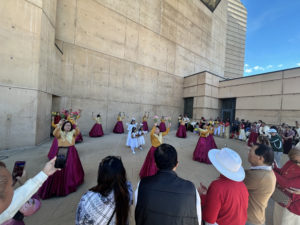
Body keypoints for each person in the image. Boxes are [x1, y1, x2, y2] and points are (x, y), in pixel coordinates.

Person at [135, 144, 201, 225]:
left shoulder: (142, 184)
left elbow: (139, 212)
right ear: (177, 164)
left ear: (155, 164)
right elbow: (198, 219)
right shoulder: (191, 188)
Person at [76, 156, 133, 225]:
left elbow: (79, 220)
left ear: (100, 175)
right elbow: (127, 185)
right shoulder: (126, 194)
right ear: (122, 174)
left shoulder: (86, 197)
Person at [198, 148, 248, 225]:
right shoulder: (242, 185)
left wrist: (202, 196)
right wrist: (208, 194)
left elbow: (209, 218)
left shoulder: (217, 186)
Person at [0, 158, 58, 223]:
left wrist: (44, 173)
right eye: (11, 185)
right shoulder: (7, 210)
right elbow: (34, 205)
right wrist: (24, 182)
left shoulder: (3, 208)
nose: (13, 189)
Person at [38, 120, 84, 199]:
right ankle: (58, 187)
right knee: (59, 169)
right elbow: (54, 133)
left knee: (71, 168)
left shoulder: (72, 133)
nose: (68, 127)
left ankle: (69, 183)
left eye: (69, 125)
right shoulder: (60, 133)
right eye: (66, 125)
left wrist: (76, 125)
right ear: (63, 126)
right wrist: (58, 125)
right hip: (62, 152)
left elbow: (77, 132)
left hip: (72, 152)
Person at [244, 144, 276, 225]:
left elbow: (233, 179)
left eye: (250, 152)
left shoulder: (259, 176)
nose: (248, 153)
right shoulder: (267, 172)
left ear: (260, 158)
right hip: (256, 217)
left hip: (250, 220)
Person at [273, 147, 300, 225]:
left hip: (294, 206)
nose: (296, 164)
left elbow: (287, 183)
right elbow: (282, 173)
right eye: (293, 160)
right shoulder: (291, 162)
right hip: (281, 198)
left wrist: (270, 170)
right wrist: (274, 167)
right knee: (277, 219)